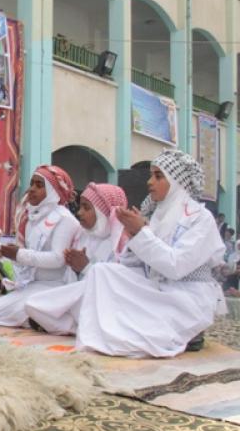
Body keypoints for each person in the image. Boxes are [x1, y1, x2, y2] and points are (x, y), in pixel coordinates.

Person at [52, 150, 225, 357]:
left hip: (186, 296)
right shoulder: (157, 215)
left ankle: (191, 332)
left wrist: (141, 233)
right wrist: (133, 236)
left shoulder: (199, 218)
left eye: (158, 176)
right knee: (102, 272)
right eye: (151, 175)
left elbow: (176, 266)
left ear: (177, 181)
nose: (150, 182)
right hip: (156, 290)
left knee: (134, 338)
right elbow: (132, 265)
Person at [24, 183, 128, 334]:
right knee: (32, 304)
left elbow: (118, 286)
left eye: (86, 208)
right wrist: (75, 269)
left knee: (41, 305)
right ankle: (77, 327)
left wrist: (86, 267)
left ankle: (82, 327)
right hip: (79, 301)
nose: (79, 213)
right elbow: (69, 283)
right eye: (80, 207)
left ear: (102, 211)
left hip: (107, 305)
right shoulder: (83, 235)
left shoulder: (121, 241)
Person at [0, 165, 79, 327]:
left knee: (26, 306)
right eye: (31, 184)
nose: (31, 189)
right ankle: (37, 322)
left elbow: (58, 259)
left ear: (53, 191)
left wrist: (19, 254)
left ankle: (57, 322)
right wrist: (13, 256)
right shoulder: (32, 218)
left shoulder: (65, 219)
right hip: (34, 284)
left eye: (39, 185)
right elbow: (27, 258)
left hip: (57, 285)